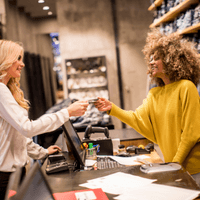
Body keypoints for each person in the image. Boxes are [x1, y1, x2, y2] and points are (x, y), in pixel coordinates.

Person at [95, 29, 200, 186]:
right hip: (173, 166)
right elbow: (137, 119)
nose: (151, 62)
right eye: (151, 58)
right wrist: (112, 108)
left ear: (172, 60)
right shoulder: (155, 94)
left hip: (193, 169)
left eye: (157, 58)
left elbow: (191, 134)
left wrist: (174, 164)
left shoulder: (186, 87)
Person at [0, 39, 89, 200]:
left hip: (15, 173)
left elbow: (18, 134)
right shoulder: (0, 90)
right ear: (5, 59)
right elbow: (27, 128)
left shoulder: (6, 89)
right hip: (3, 177)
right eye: (18, 58)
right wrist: (66, 113)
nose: (23, 64)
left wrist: (42, 152)